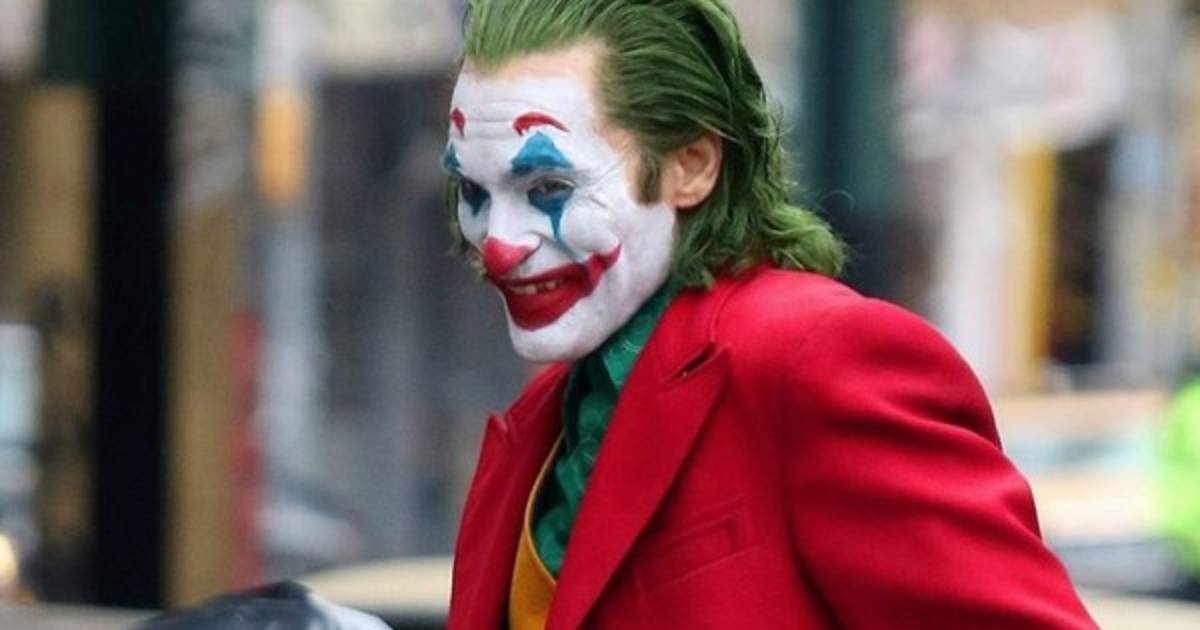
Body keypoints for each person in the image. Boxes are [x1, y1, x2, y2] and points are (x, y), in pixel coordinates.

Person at [443, 1, 1098, 628]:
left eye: (548, 187)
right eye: (474, 190)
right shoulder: (543, 422)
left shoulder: (817, 360)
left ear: (691, 165)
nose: (498, 243)